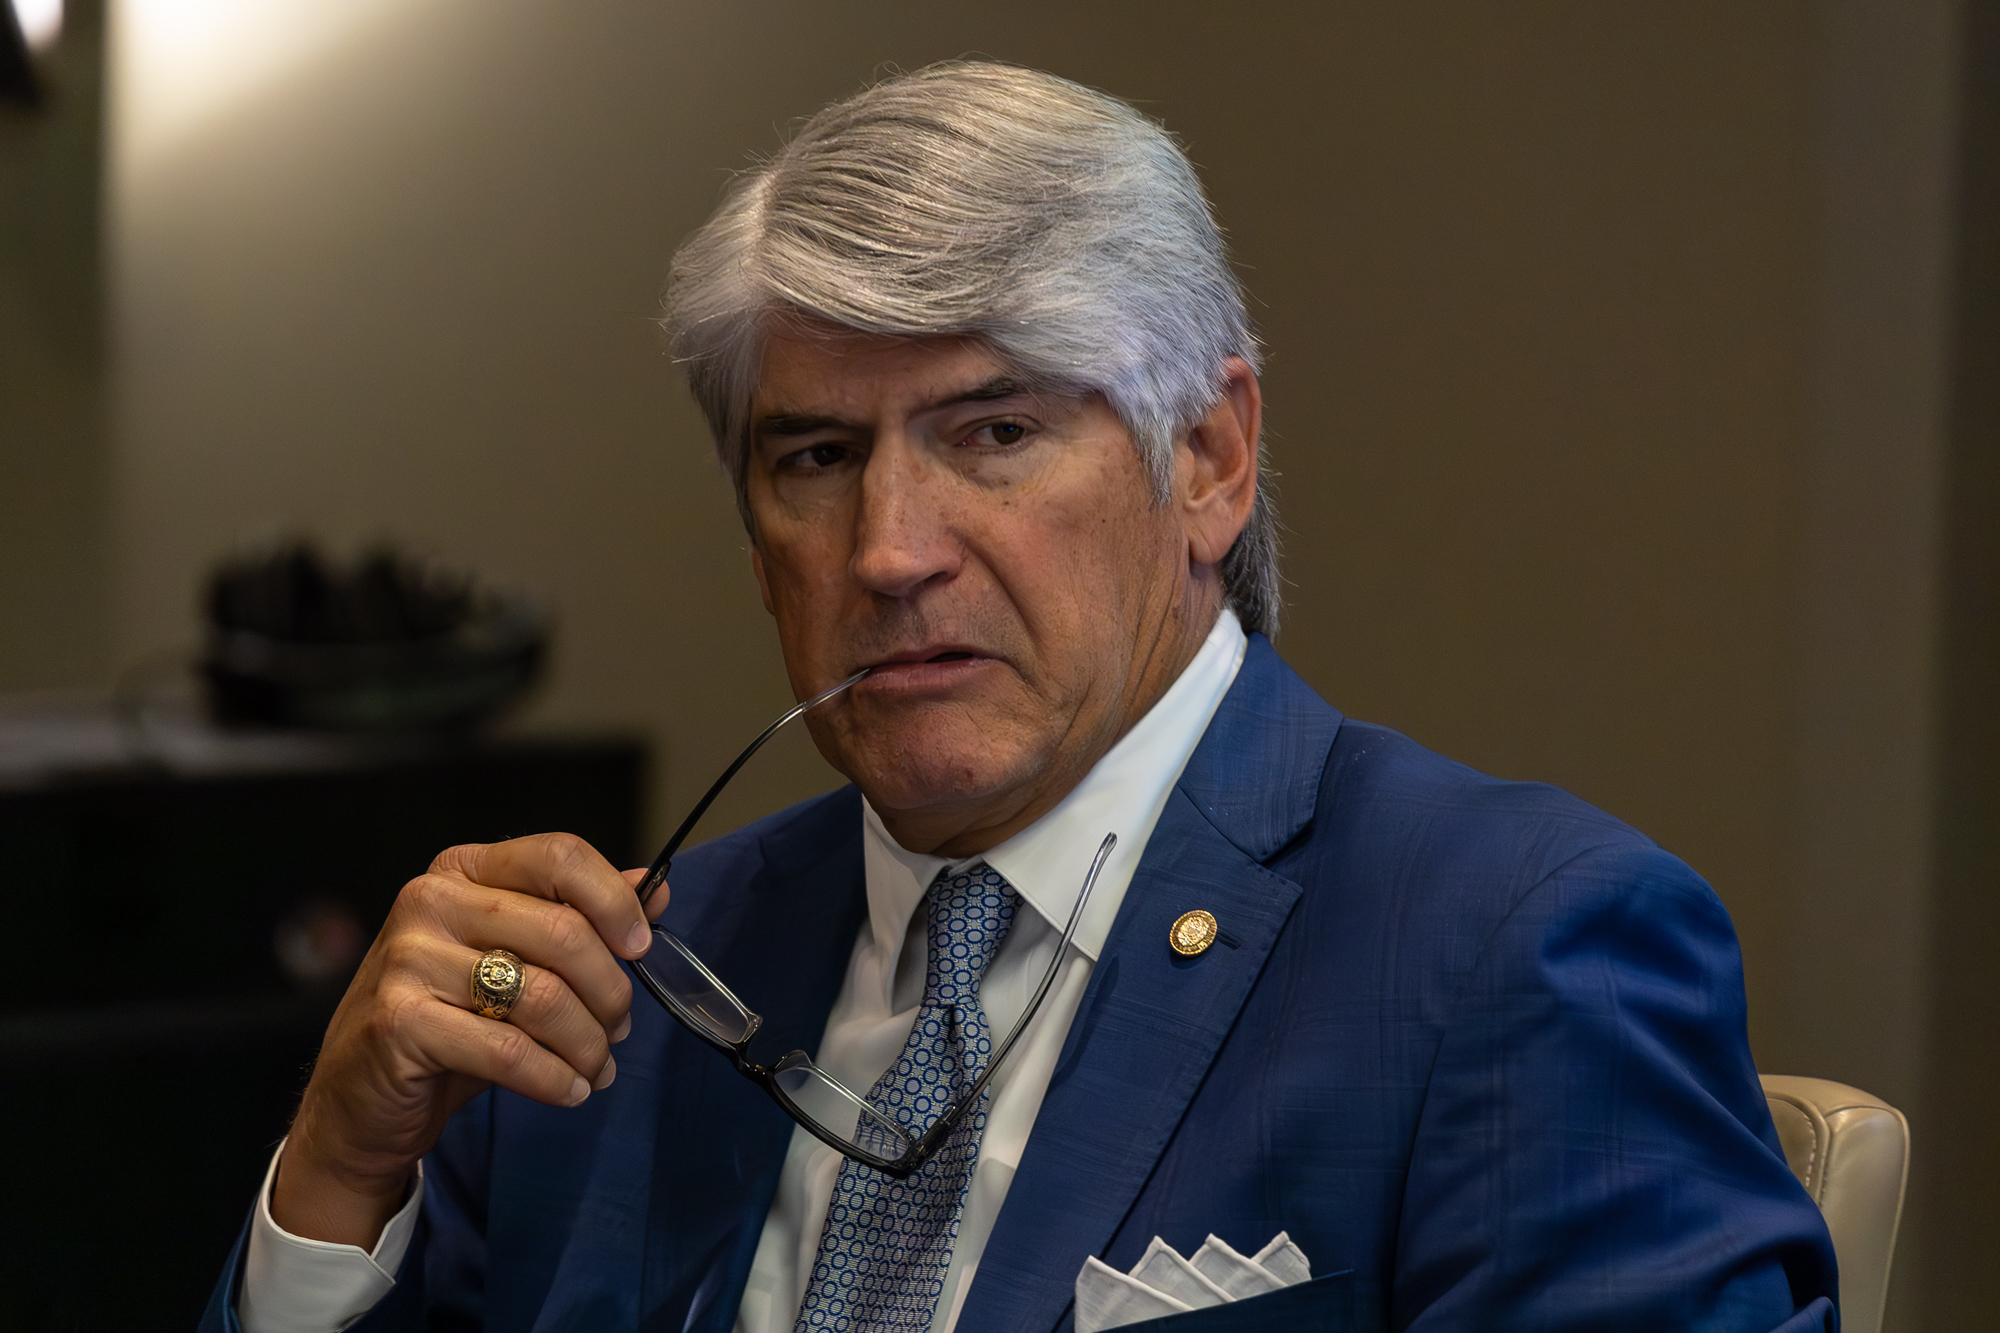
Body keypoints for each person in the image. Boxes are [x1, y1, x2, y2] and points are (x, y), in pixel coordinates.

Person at [202, 61, 1838, 1333]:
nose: (893, 548)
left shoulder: (1509, 952)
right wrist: (341, 1169)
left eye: (994, 431)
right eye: (817, 457)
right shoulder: (620, 988)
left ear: (1207, 456)